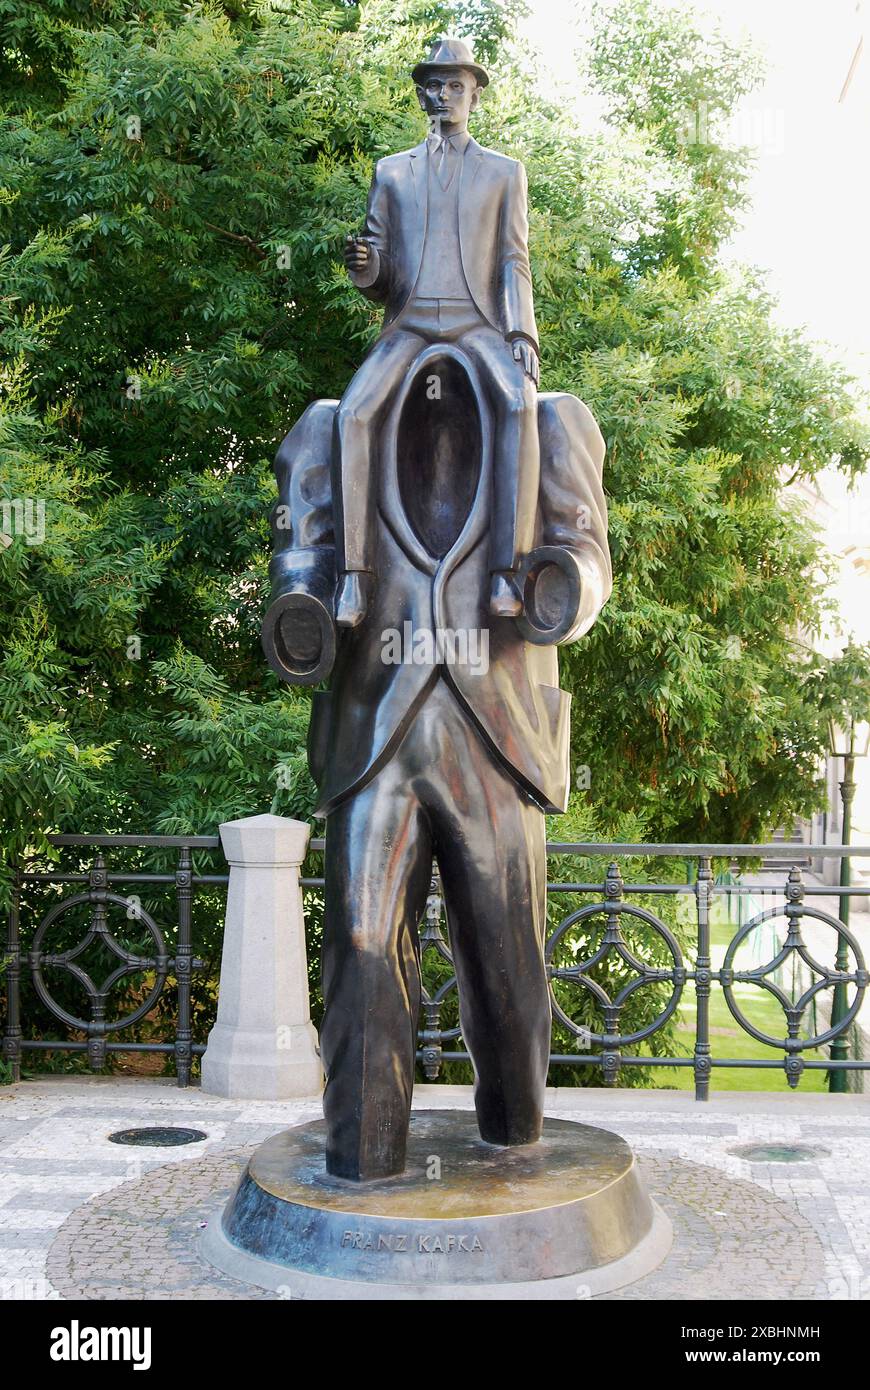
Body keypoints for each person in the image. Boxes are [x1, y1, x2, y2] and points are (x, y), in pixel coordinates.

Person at [335, 37, 541, 628]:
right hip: (411, 324)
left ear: (474, 93)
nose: (445, 95)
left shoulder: (504, 173)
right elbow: (379, 267)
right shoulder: (392, 172)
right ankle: (354, 581)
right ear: (423, 94)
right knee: (352, 414)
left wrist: (521, 334)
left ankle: (508, 572)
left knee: (519, 404)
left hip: (478, 325)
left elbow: (513, 260)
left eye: (457, 85)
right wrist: (366, 268)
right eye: (436, 85)